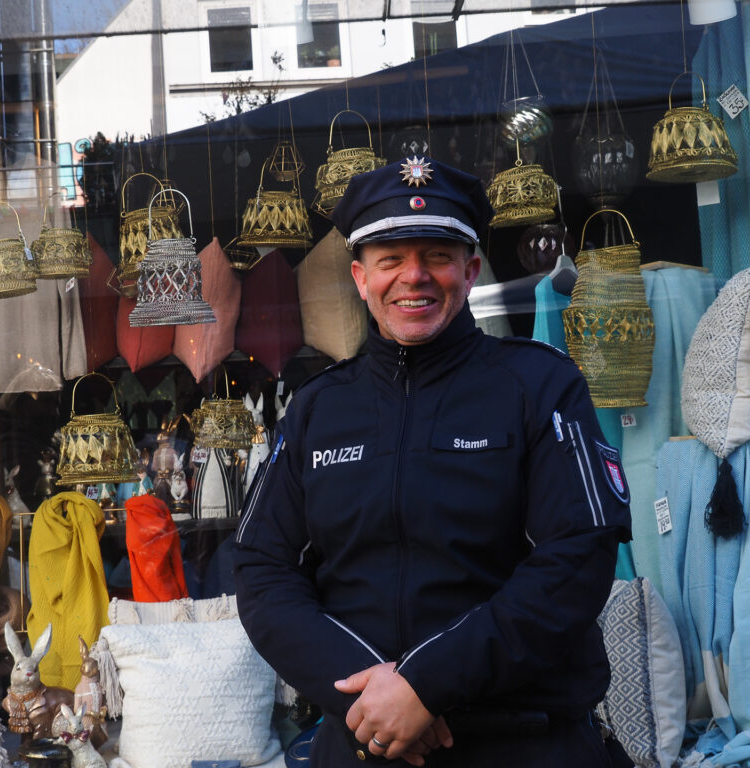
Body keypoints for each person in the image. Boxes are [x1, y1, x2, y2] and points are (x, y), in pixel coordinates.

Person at [233, 156, 632, 767]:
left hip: (523, 745)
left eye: (437, 257)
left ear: (470, 270)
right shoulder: (318, 410)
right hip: (360, 740)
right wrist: (375, 699)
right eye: (390, 260)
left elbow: (577, 557)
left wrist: (426, 684)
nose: (413, 277)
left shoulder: (539, 385)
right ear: (360, 278)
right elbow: (263, 570)